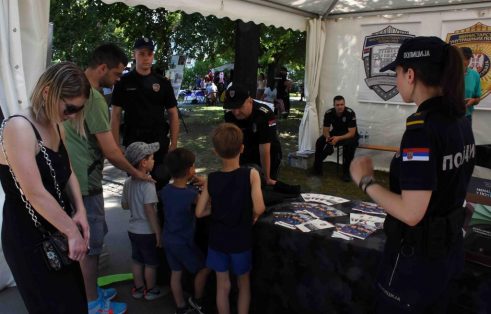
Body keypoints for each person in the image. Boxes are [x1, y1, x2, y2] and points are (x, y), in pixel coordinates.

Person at [350, 36, 475, 313]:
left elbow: (411, 213)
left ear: (410, 74)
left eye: (396, 73)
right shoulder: (460, 122)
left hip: (416, 262)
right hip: (448, 252)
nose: (396, 81)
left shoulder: (421, 131)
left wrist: (365, 180)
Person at [64, 43, 151, 314]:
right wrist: (137, 173)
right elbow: (111, 150)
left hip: (71, 178)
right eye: (115, 74)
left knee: (85, 241)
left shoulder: (73, 86)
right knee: (91, 245)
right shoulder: (94, 98)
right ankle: (92, 304)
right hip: (86, 184)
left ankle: (90, 292)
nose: (117, 81)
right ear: (102, 68)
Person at [0, 62, 90, 313]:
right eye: (70, 107)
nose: (72, 115)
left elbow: (67, 171)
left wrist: (80, 210)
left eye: (78, 109)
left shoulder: (55, 124)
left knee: (74, 304)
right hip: (30, 237)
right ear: (48, 92)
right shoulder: (18, 127)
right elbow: (35, 192)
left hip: (57, 229)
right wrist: (72, 231)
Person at [195, 123, 266, 314]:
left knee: (222, 286)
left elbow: (199, 212)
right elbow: (259, 207)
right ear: (242, 148)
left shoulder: (212, 178)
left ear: (215, 152)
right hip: (241, 241)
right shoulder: (251, 174)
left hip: (217, 241)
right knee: (243, 285)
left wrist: (217, 208)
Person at [111, 37, 180, 190]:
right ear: (134, 54)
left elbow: (173, 114)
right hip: (134, 142)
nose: (146, 58)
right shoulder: (123, 82)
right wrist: (116, 145)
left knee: (160, 185)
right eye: (141, 53)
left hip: (158, 142)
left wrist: (174, 143)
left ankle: (158, 213)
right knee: (138, 188)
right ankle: (141, 215)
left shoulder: (163, 82)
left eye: (149, 54)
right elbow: (115, 115)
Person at [159, 148, 211, 314]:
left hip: (168, 239)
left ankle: (180, 306)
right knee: (203, 268)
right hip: (183, 242)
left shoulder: (165, 191)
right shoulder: (191, 194)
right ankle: (196, 301)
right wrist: (206, 185)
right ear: (190, 170)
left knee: (176, 272)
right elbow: (207, 207)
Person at [122, 142, 167, 301]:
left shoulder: (128, 182)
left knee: (137, 260)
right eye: (152, 158)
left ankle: (138, 289)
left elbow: (124, 205)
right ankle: (151, 290)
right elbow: (149, 209)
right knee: (150, 263)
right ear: (143, 162)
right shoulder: (148, 184)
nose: (154, 161)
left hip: (132, 229)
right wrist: (158, 232)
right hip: (147, 231)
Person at [224, 84, 282, 186]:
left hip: (268, 153)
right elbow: (231, 145)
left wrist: (267, 178)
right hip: (245, 151)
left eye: (240, 107)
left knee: (264, 186)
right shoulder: (229, 115)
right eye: (233, 108)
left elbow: (265, 150)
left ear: (250, 100)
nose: (236, 113)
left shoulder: (265, 114)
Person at [313, 95, 359, 181]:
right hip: (336, 132)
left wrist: (337, 138)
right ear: (334, 105)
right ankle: (317, 169)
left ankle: (346, 173)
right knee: (319, 141)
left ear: (344, 104)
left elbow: (352, 133)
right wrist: (328, 138)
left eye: (342, 104)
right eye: (337, 105)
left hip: (349, 135)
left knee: (349, 146)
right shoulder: (329, 113)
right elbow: (326, 130)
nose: (340, 107)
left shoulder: (350, 113)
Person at [461, 47, 481, 125]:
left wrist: (473, 101)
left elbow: (478, 98)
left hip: (466, 117)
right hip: (449, 117)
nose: (466, 61)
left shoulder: (475, 75)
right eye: (463, 58)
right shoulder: (448, 74)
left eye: (468, 58)